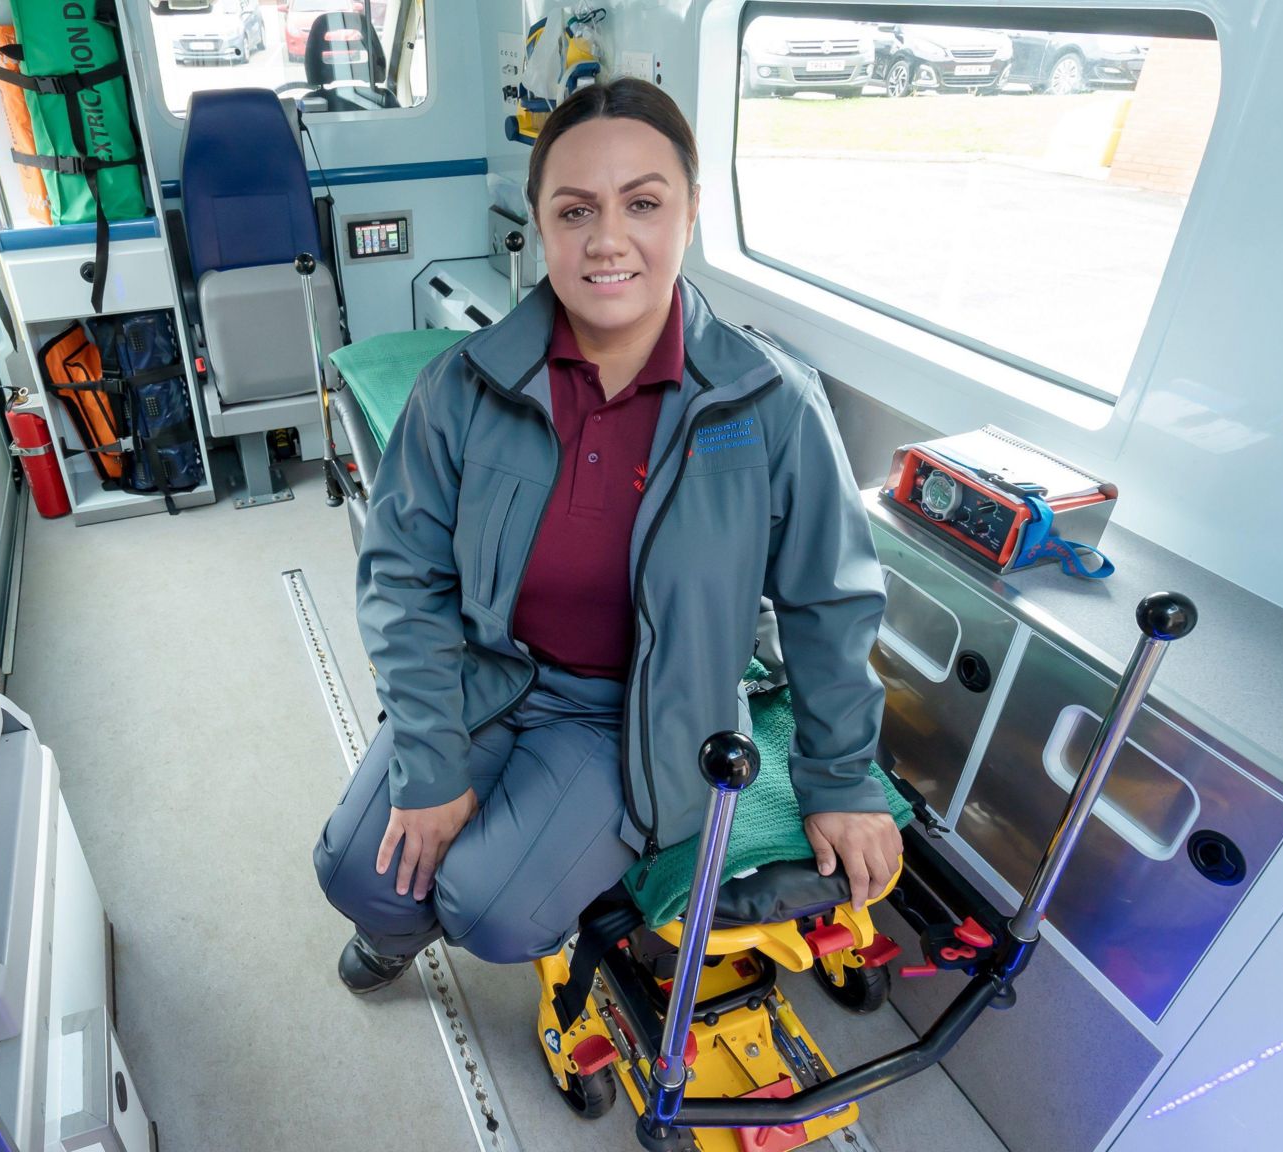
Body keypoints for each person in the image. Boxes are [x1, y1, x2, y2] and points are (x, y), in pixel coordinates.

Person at [313, 77, 899, 994]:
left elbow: (831, 602)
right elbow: (402, 578)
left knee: (489, 910)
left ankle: (453, 899)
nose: (608, 240)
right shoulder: (461, 390)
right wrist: (431, 761)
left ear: (692, 213)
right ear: (540, 224)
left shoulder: (770, 404)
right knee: (355, 873)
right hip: (487, 672)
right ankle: (393, 933)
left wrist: (843, 780)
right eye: (576, 209)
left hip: (632, 712)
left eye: (644, 204)